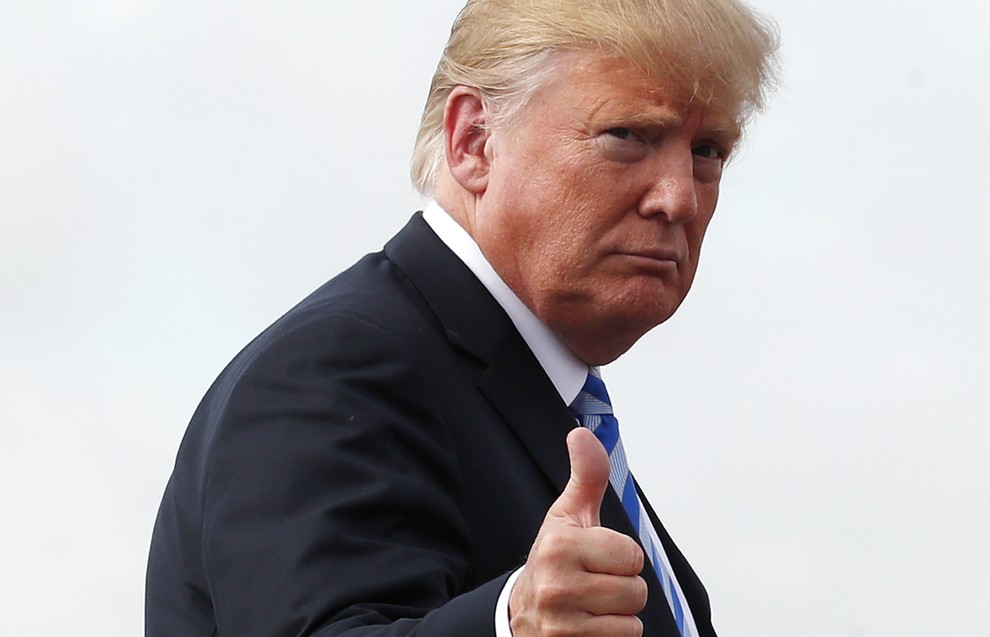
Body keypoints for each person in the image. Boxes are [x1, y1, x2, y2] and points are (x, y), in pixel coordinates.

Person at [145, 0, 777, 635]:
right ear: (474, 141)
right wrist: (511, 625)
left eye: (708, 150)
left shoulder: (542, 400)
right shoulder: (335, 365)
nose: (677, 197)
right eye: (628, 135)